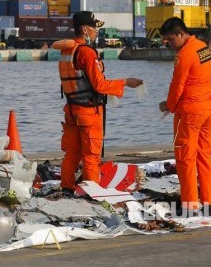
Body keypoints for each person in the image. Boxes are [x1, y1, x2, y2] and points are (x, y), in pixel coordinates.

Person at [52, 11, 143, 197]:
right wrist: (125, 82)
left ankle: (67, 189)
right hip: (88, 113)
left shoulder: (67, 50)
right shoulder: (86, 52)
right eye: (94, 28)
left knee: (71, 153)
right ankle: (90, 194)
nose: (96, 32)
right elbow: (100, 85)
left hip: (71, 110)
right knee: (91, 156)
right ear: (85, 29)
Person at [158, 17, 211, 216]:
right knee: (204, 156)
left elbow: (177, 86)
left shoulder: (184, 54)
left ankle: (190, 205)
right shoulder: (203, 48)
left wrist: (169, 106)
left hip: (190, 112)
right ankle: (210, 204)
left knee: (185, 158)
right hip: (208, 108)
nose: (167, 44)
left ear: (181, 34)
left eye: (169, 39)